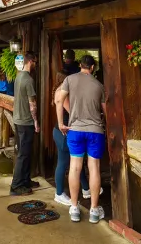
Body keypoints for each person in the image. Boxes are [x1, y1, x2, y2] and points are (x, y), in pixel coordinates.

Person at [56, 55, 106, 224]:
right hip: (95, 131)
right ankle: (93, 210)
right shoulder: (99, 85)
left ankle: (75, 207)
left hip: (75, 130)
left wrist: (61, 123)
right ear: (92, 67)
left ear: (80, 65)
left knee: (75, 167)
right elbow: (105, 110)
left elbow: (59, 100)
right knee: (94, 168)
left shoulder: (69, 79)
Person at [52, 71, 90, 206]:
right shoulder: (63, 93)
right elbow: (72, 112)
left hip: (60, 131)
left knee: (76, 161)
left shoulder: (59, 90)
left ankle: (86, 189)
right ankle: (59, 193)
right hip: (64, 132)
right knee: (64, 163)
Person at [9, 51, 40, 196]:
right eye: (35, 62)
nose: (36, 65)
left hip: (18, 119)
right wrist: (36, 121)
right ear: (30, 61)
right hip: (26, 121)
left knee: (26, 153)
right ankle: (16, 186)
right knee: (23, 154)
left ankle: (25, 180)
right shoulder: (28, 80)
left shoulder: (19, 76)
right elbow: (32, 103)